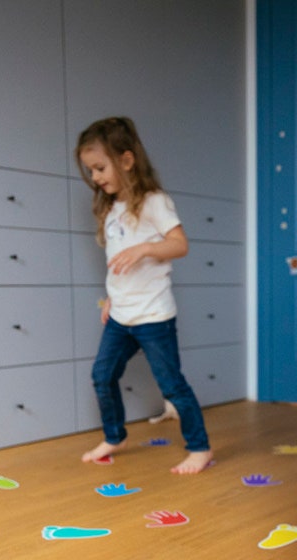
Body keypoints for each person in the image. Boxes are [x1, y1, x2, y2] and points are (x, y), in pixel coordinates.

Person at [75, 117, 213, 475]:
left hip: (153, 317)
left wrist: (145, 249)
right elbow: (116, 262)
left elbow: (179, 244)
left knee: (171, 384)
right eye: (91, 170)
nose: (96, 177)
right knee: (102, 375)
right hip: (121, 315)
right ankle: (115, 434)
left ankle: (200, 447)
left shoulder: (154, 202)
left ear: (126, 160)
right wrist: (110, 299)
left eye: (100, 167)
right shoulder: (111, 209)